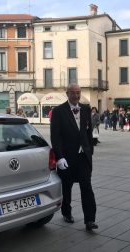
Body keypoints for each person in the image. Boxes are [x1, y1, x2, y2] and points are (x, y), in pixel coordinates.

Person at [50, 84, 98, 231]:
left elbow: (88, 132)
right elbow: (55, 137)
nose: (76, 96)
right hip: (67, 158)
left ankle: (90, 220)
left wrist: (90, 150)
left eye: (78, 93)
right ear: (67, 94)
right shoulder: (58, 111)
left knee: (86, 187)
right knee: (67, 187)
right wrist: (59, 157)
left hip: (83, 156)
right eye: (73, 93)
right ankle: (66, 212)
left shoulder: (85, 109)